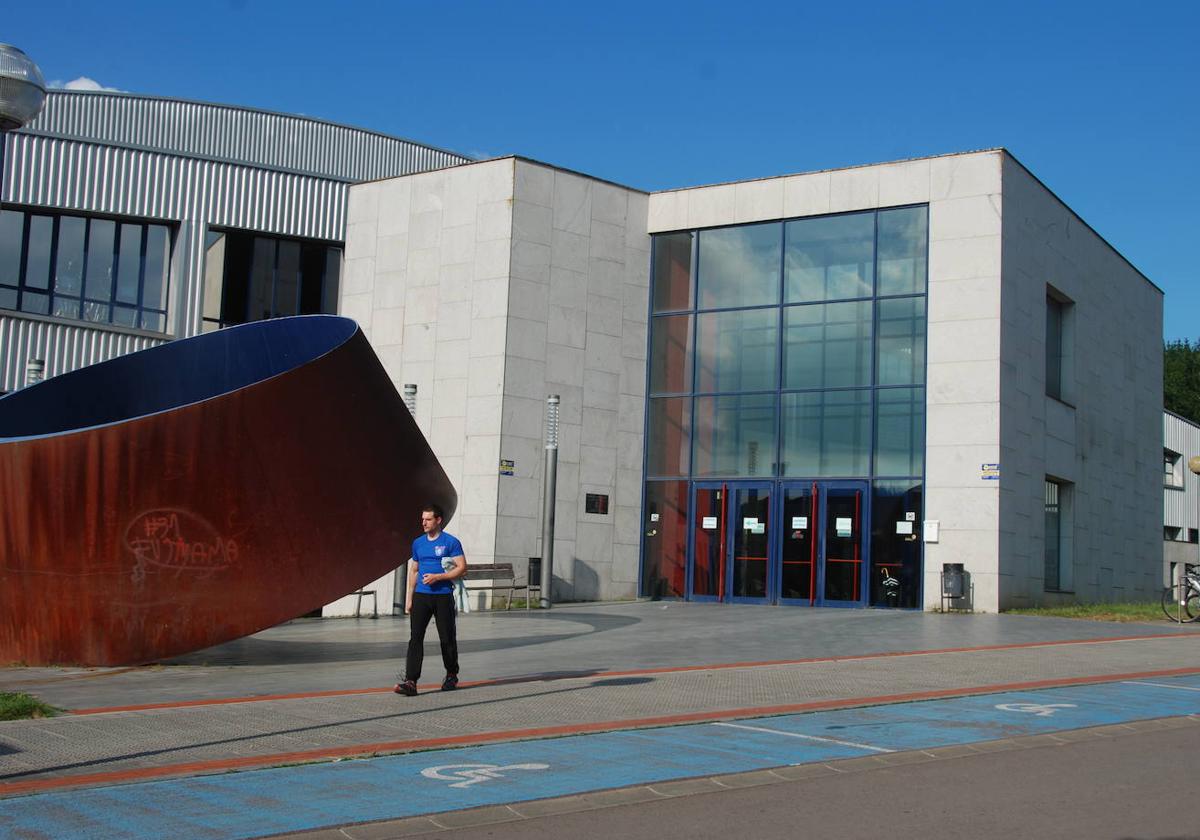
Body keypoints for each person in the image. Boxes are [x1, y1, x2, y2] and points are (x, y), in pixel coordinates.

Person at [394, 504, 466, 697]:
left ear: (438, 520)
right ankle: (411, 681)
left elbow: (462, 568)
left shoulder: (451, 542)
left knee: (447, 637)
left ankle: (451, 675)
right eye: (422, 519)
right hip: (421, 596)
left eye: (428, 519)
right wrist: (409, 597)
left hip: (443, 595)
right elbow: (414, 570)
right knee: (415, 638)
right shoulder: (418, 543)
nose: (423, 522)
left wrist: (438, 577)